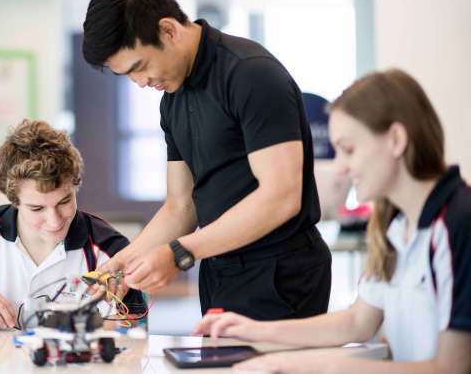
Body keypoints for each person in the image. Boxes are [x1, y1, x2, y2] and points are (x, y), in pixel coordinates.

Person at [82, 0, 331, 321]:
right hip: (220, 269)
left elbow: (281, 197)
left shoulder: (250, 74)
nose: (140, 83)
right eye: (128, 76)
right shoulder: (172, 98)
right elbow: (181, 206)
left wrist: (181, 252)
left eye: (140, 67)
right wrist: (124, 260)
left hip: (280, 272)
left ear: (168, 29)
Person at [194, 69, 471, 373]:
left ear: (396, 139)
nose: (339, 169)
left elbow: (451, 368)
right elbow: (358, 322)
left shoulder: (458, 222)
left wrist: (310, 365)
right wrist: (253, 330)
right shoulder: (395, 226)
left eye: (348, 150)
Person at [0, 119, 146, 330]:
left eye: (64, 201)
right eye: (37, 209)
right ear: (13, 200)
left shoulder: (110, 248)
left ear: (75, 187)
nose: (54, 221)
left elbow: (135, 339)